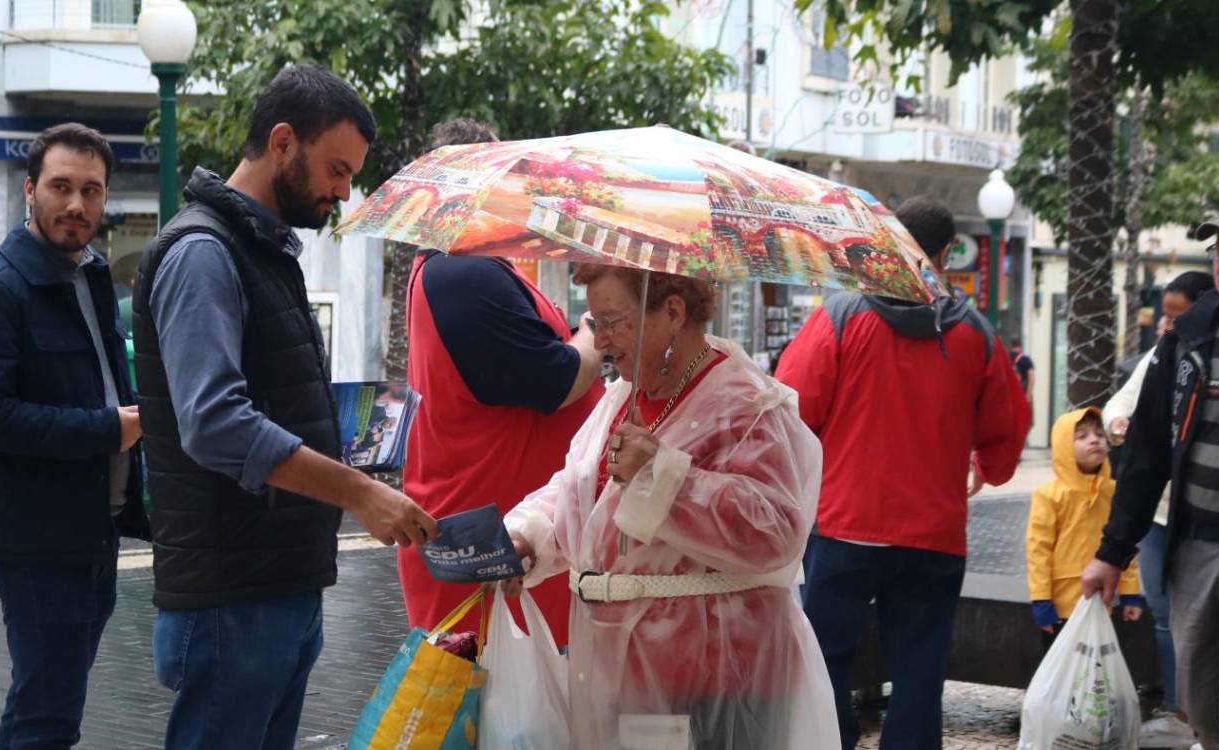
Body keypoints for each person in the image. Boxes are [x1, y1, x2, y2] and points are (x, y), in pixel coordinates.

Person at [133, 65, 437, 750]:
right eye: (337, 169)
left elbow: (265, 399)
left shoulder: (262, 250)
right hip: (231, 599)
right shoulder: (203, 252)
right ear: (281, 143)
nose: (343, 191)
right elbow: (215, 423)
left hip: (275, 589)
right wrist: (358, 491)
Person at [504, 266, 837, 748]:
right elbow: (586, 492)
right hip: (625, 674)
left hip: (716, 678)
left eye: (611, 321)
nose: (600, 340)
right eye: (594, 322)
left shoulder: (748, 404)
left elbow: (776, 530)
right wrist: (529, 538)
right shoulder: (624, 394)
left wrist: (664, 478)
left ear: (674, 312)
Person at [774, 195, 1030, 750]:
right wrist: (989, 466)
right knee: (919, 668)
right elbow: (1008, 429)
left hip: (844, 524)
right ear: (945, 252)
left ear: (887, 240)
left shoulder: (842, 315)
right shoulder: (976, 333)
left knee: (823, 657)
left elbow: (791, 406)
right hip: (934, 535)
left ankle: (833, 739)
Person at [0, 122, 148, 750]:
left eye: (91, 190)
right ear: (30, 190)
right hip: (35, 536)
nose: (76, 204)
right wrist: (109, 429)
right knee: (49, 711)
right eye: (61, 187)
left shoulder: (91, 277)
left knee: (48, 703)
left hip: (95, 527)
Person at [400, 117, 603, 647]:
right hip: (487, 539)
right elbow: (559, 380)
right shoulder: (464, 274)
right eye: (507, 176)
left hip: (494, 531)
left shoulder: (464, 269)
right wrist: (596, 331)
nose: (517, 190)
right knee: (488, 693)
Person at [1083, 213, 1219, 750]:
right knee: (1204, 702)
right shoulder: (1186, 339)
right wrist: (1112, 552)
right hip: (1199, 544)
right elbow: (1146, 456)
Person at [1027, 407, 1144, 647]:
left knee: (1098, 664)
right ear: (1063, 447)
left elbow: (1124, 543)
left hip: (1102, 601)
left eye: (1100, 435)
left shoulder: (1113, 492)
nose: (1094, 440)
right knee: (1062, 665)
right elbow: (1038, 550)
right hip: (1061, 605)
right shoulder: (1049, 496)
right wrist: (1041, 598)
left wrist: (1130, 592)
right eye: (1082, 436)